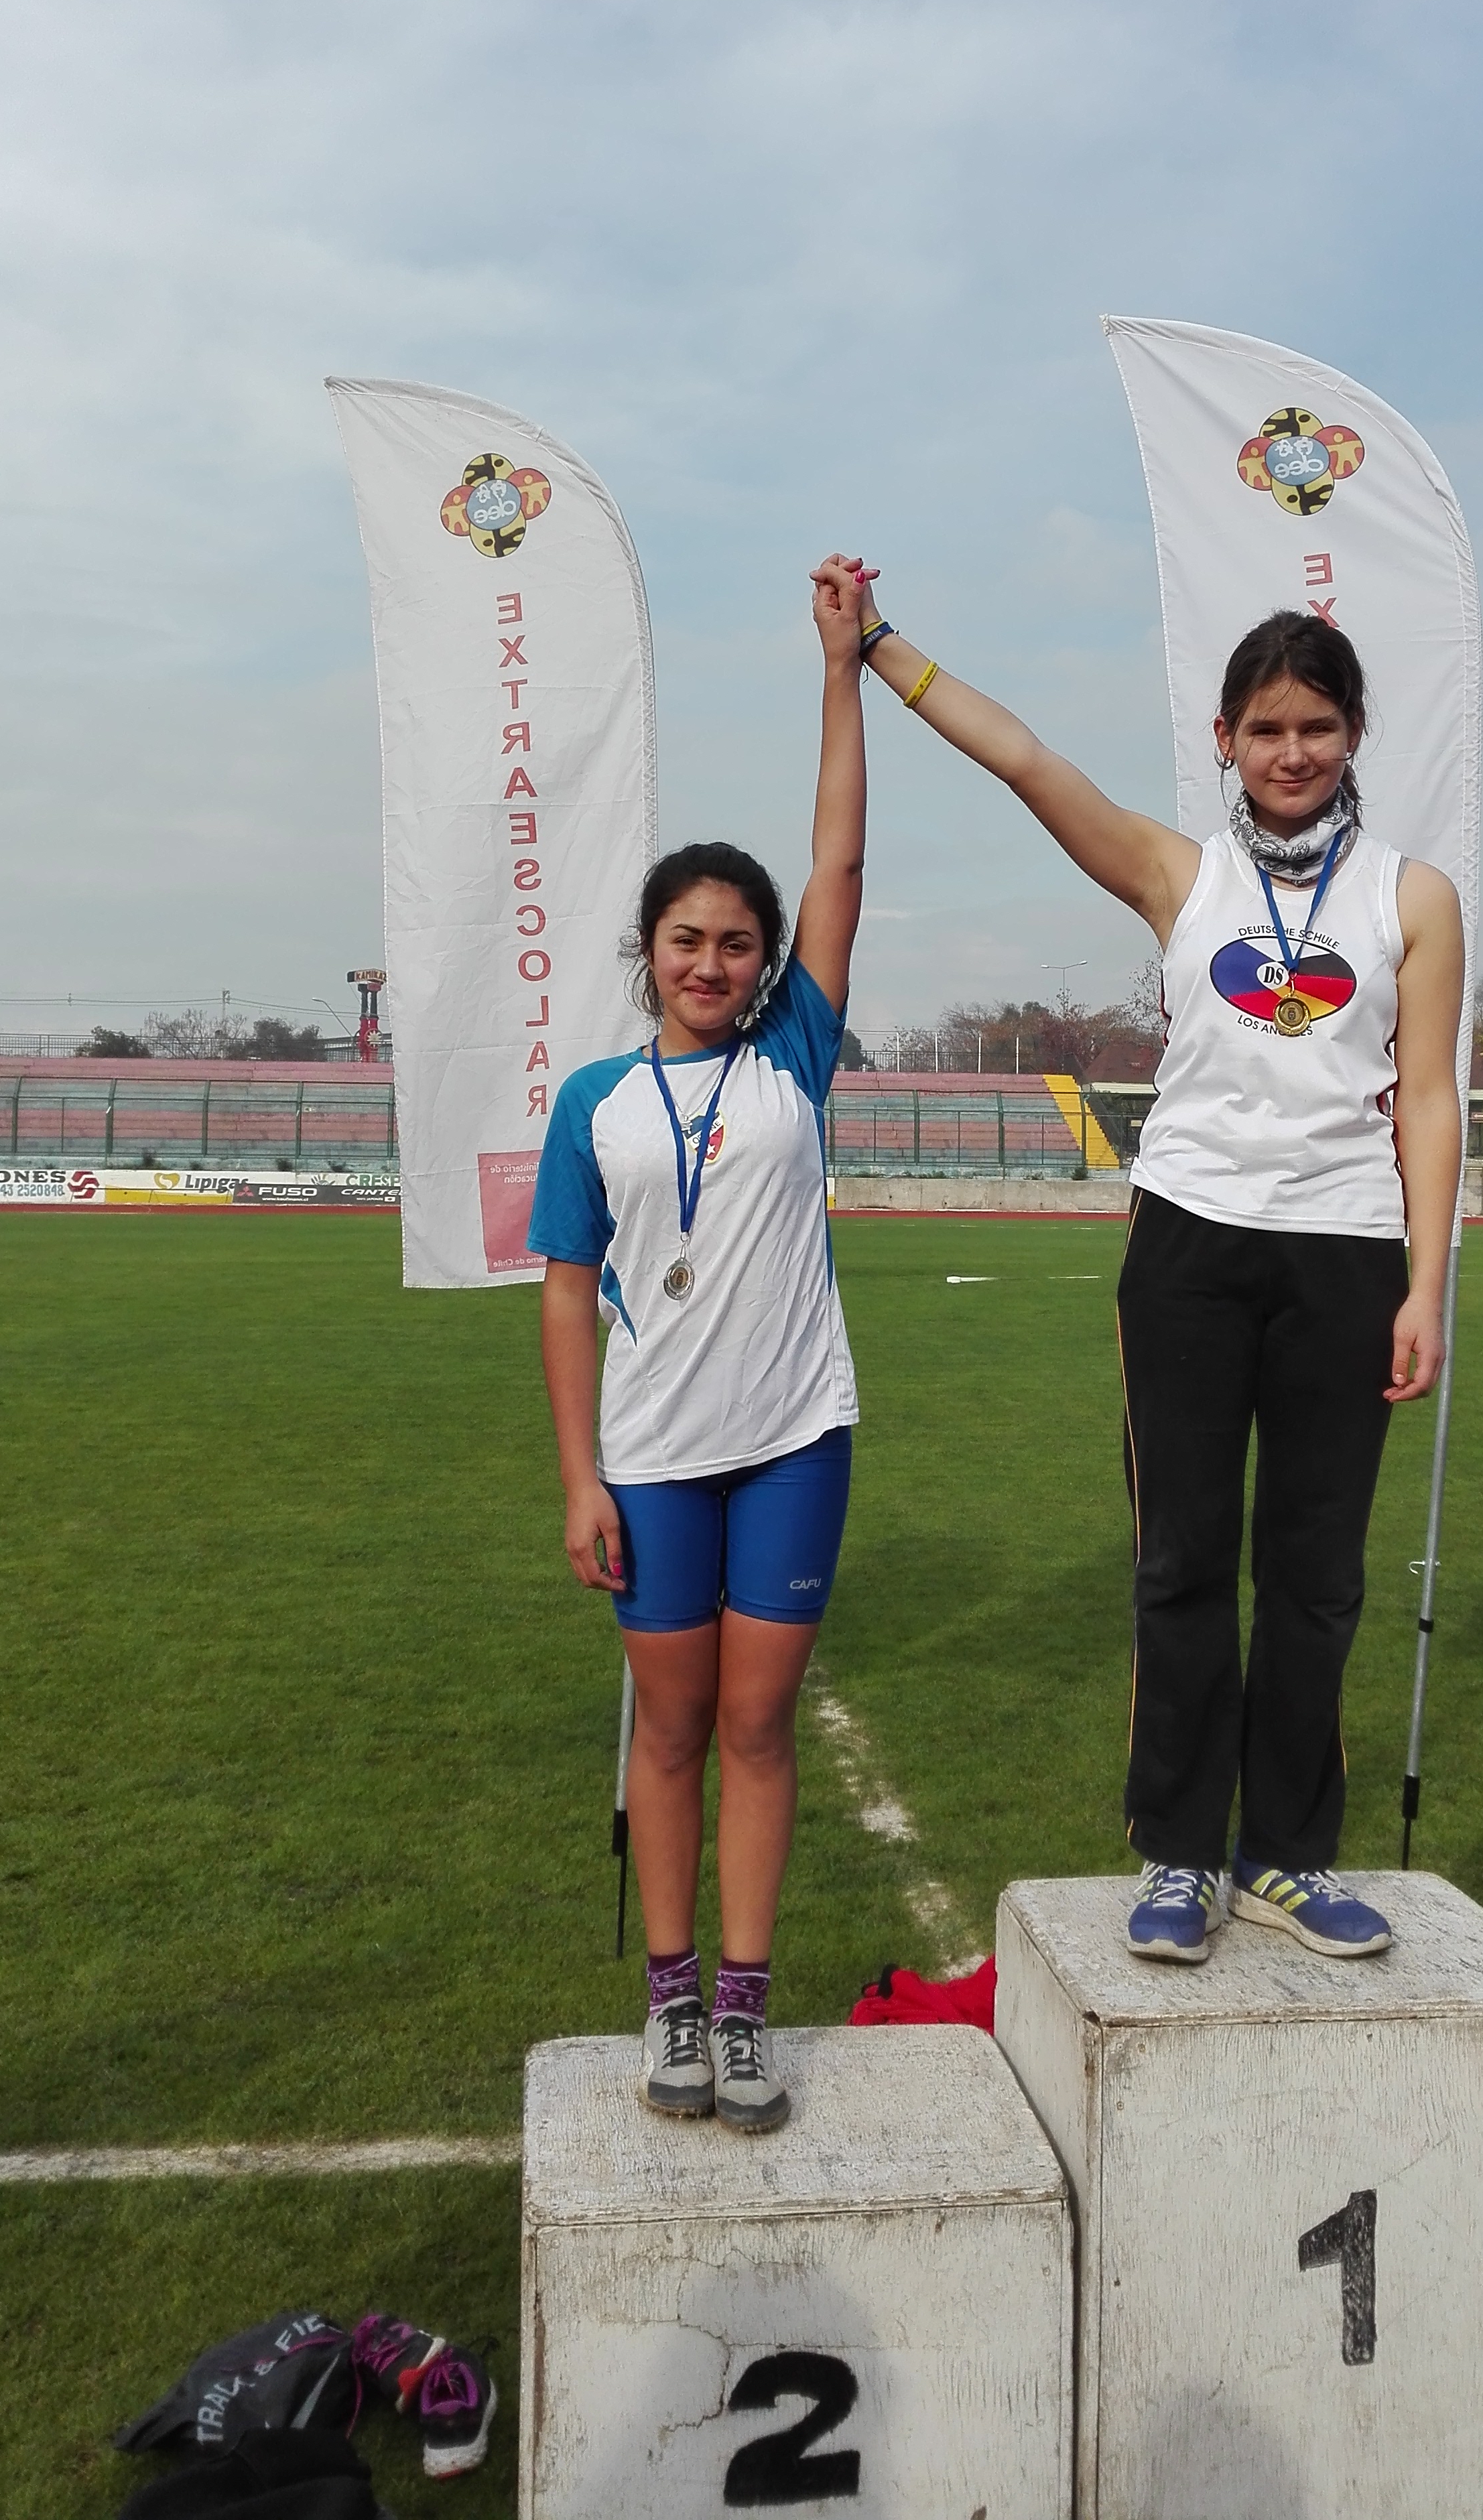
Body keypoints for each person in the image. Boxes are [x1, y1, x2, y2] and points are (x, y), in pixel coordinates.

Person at [851, 588, 1462, 1963]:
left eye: (1317, 726)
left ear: (1355, 733)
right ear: (1225, 737)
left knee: (1316, 1573)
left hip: (1348, 1252)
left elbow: (1427, 1098)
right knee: (1182, 1559)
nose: (1294, 752)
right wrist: (881, 647)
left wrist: (1427, 1283)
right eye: (1268, 728)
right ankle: (1181, 1852)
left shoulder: (1412, 896)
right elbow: (1025, 760)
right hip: (1189, 1245)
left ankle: (1289, 1855)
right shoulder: (1180, 876)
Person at [526, 555, 871, 2129]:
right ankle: (668, 1997)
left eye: (739, 941)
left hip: (794, 1440)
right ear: (649, 950)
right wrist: (579, 1477)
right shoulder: (596, 1104)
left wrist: (841, 669)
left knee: (756, 1724)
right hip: (654, 1459)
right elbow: (562, 1293)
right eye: (687, 939)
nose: (713, 963)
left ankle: (742, 2007)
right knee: (670, 1727)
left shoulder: (796, 1051)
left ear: (766, 960)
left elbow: (839, 856)